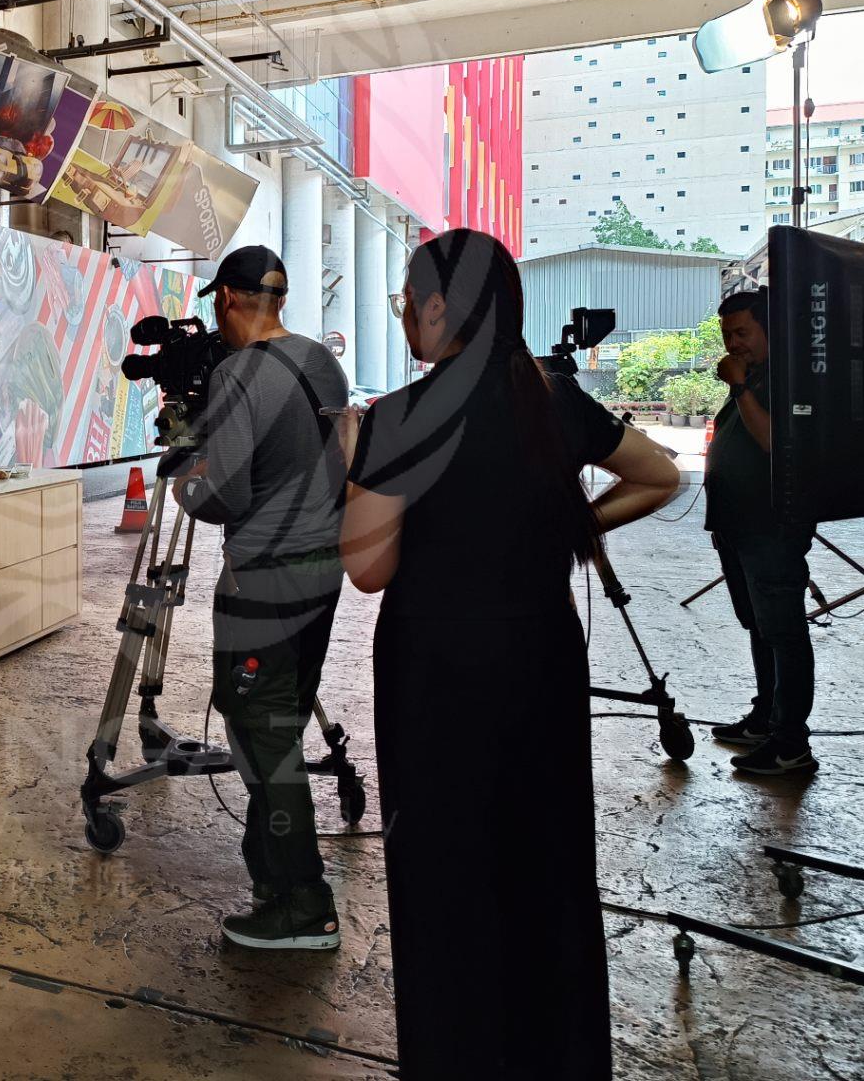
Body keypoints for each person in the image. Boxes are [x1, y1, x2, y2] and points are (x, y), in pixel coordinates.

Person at [341, 229, 678, 1078]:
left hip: (436, 671)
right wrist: (566, 527)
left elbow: (368, 569)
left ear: (437, 308)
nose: (405, 319)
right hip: (540, 657)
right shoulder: (553, 397)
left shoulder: (401, 417)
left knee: (445, 869)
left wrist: (354, 466)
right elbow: (659, 476)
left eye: (406, 305)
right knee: (546, 858)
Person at [172, 245, 349, 950]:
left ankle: (303, 904)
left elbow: (224, 495)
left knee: (262, 733)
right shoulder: (322, 361)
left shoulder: (237, 373)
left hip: (264, 579)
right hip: (324, 570)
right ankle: (273, 880)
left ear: (226, 299)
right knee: (282, 722)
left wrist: (185, 474)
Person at [704, 289, 819, 776]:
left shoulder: (786, 381)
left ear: (770, 330)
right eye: (727, 335)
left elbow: (774, 440)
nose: (733, 344)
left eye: (743, 333)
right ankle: (765, 716)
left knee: (783, 632)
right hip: (737, 526)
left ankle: (791, 742)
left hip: (770, 529)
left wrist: (739, 388)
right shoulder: (754, 378)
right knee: (758, 626)